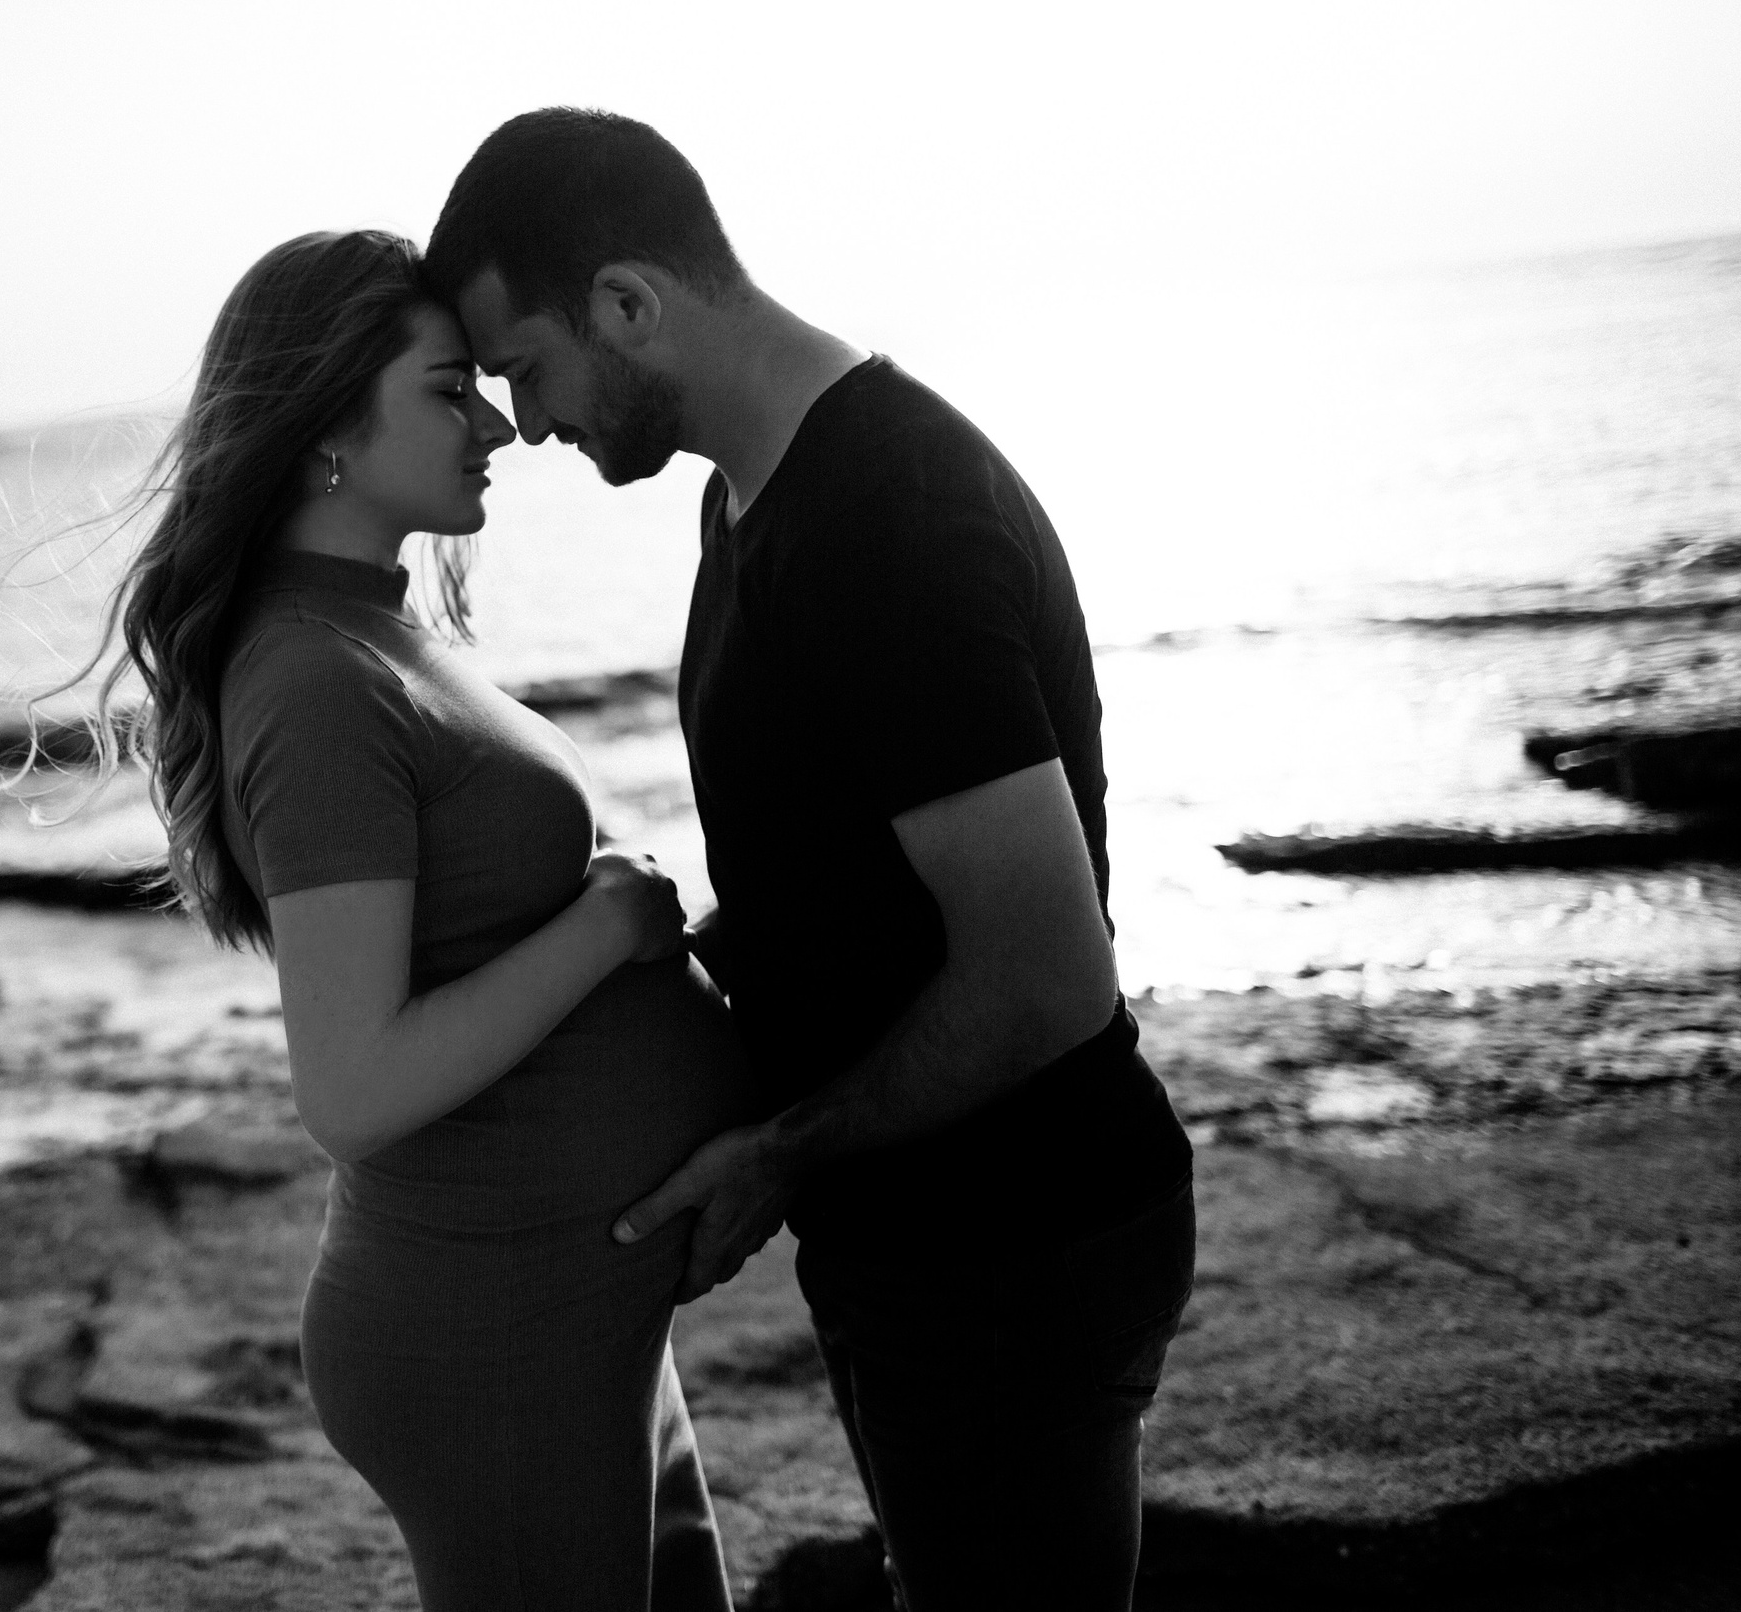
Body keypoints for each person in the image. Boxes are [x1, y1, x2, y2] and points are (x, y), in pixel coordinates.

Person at [425, 110, 1198, 1612]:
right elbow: (850, 887)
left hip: (1013, 1245)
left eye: (525, 368)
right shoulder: (752, 500)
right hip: (921, 1240)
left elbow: (1044, 976)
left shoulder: (889, 515)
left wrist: (778, 1154)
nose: (521, 424)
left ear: (630, 305)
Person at [71, 227, 754, 1610]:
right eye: (450, 389)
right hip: (491, 1330)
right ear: (327, 425)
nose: (500, 422)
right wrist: (605, 928)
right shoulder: (315, 679)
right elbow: (352, 1087)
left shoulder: (380, 630)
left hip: (564, 1306)